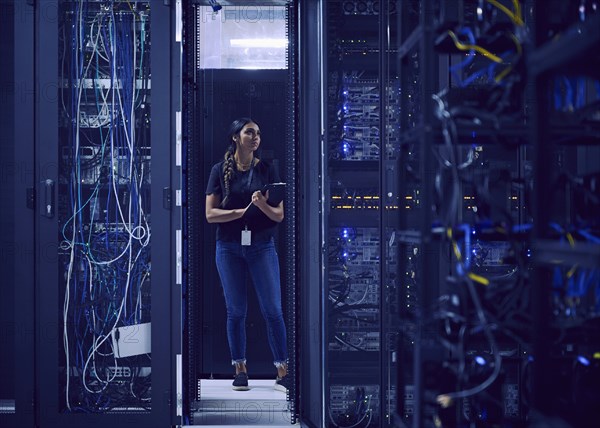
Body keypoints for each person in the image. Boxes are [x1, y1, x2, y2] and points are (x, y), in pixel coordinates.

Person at [205, 117, 290, 392]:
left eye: (258, 133)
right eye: (250, 132)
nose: (256, 137)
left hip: (262, 246)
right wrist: (242, 213)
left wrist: (261, 204)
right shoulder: (219, 171)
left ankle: (282, 370)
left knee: (273, 310)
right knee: (236, 311)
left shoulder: (267, 170)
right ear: (235, 137)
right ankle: (240, 369)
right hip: (228, 247)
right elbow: (210, 214)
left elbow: (278, 215)